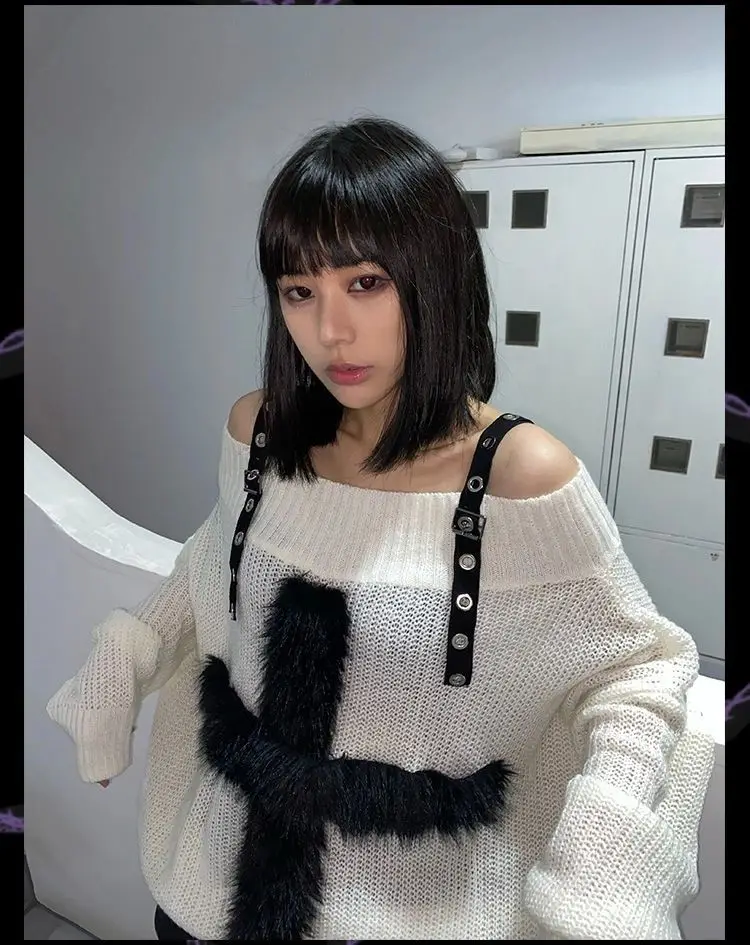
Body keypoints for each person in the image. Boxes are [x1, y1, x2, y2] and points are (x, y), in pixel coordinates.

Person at [47, 117, 715, 941]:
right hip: (210, 888)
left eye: (365, 282)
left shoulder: (520, 474)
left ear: (436, 278)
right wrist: (125, 655)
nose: (330, 331)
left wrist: (605, 853)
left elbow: (638, 668)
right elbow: (216, 562)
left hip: (415, 910)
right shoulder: (260, 430)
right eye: (299, 290)